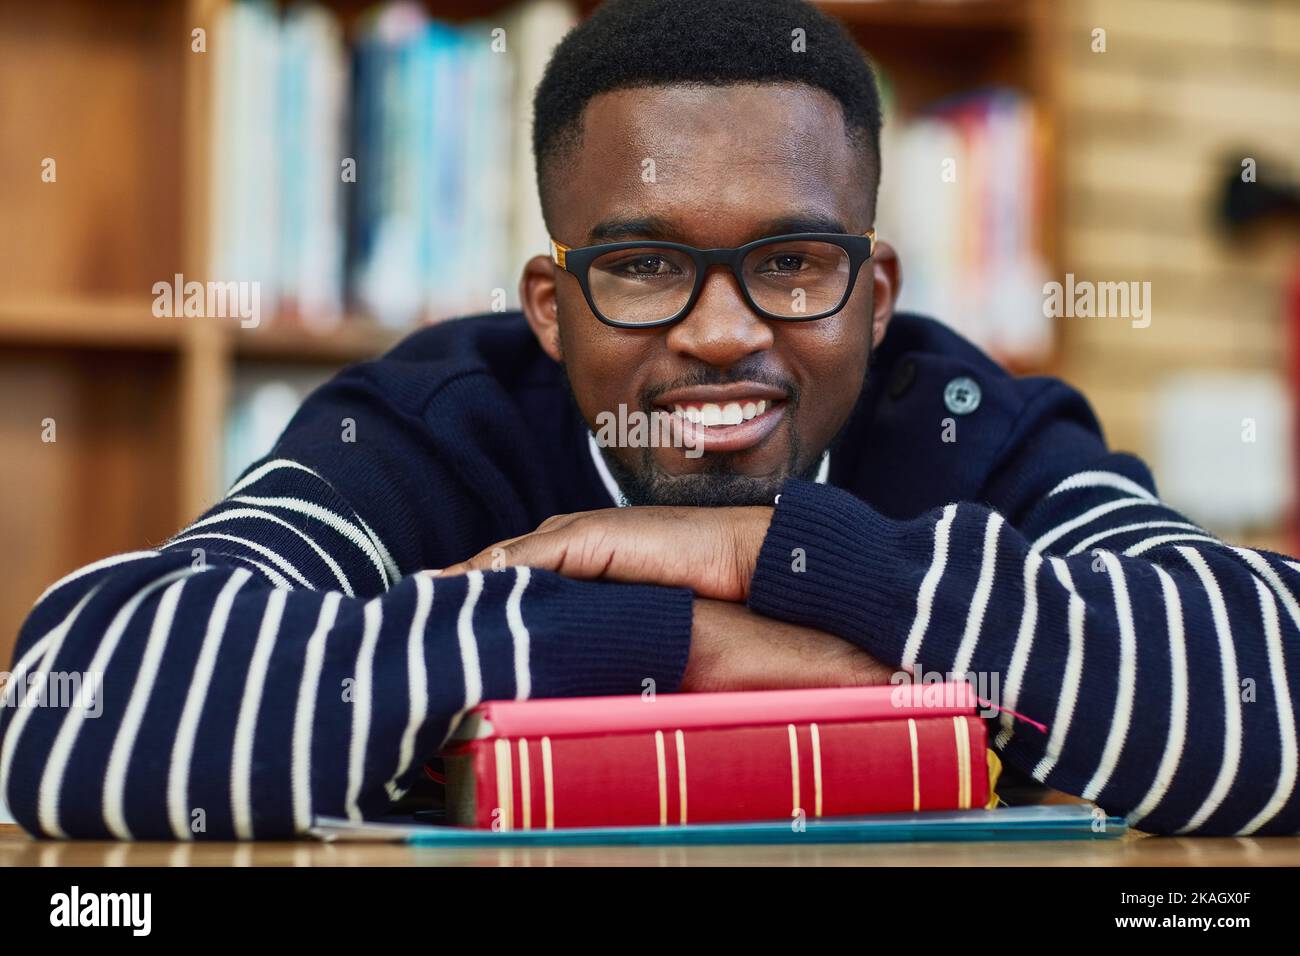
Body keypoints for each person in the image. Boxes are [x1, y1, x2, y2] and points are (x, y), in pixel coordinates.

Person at [3, 0, 1297, 840]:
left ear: (878, 294)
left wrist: (768, 552)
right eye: (642, 268)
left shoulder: (966, 420)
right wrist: (681, 641)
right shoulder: (431, 424)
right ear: (553, 306)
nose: (724, 332)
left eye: (793, 261)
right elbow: (73, 701)